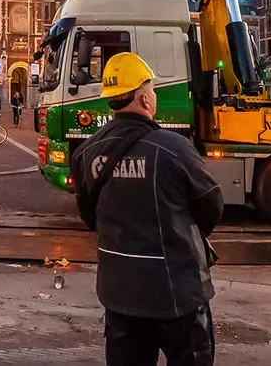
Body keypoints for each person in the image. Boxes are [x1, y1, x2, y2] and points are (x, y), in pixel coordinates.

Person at [72, 52, 222, 366]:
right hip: (177, 293)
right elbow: (212, 207)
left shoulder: (87, 153)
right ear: (143, 99)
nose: (153, 96)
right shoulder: (174, 148)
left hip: (120, 296)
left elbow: (90, 217)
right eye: (152, 90)